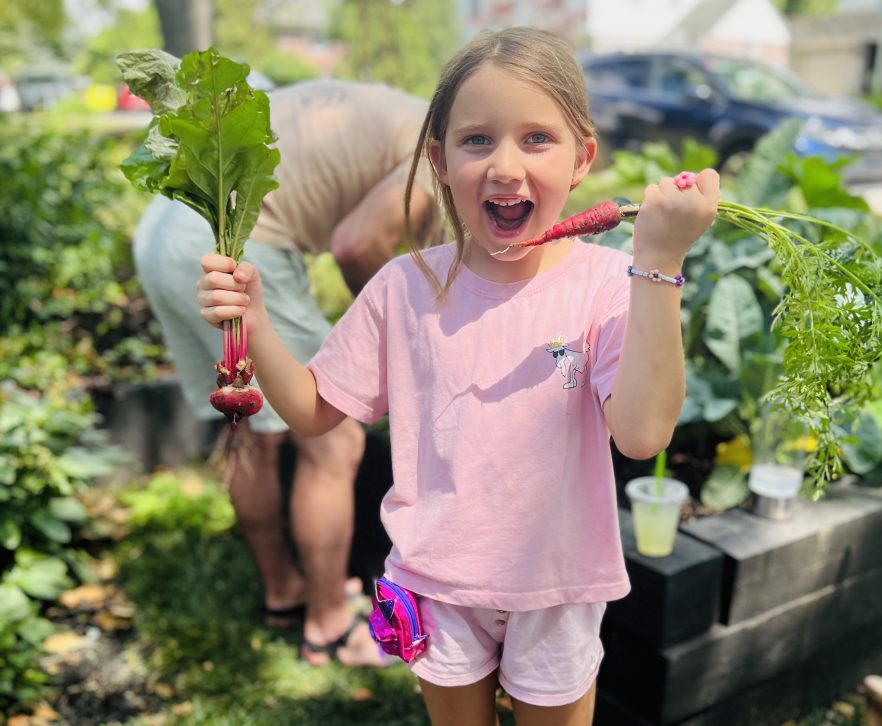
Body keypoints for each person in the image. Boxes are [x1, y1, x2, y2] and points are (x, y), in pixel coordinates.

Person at [197, 27, 719, 725]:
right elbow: (314, 413)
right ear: (439, 161)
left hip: (556, 586)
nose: (505, 166)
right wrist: (256, 321)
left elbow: (642, 434)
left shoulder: (606, 284)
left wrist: (657, 264)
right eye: (478, 141)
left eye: (537, 139)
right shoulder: (402, 286)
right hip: (432, 583)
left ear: (582, 158)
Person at [133, 79, 441, 668]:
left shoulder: (405, 112)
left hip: (163, 235)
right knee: (334, 438)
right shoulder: (446, 147)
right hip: (233, 245)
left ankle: (283, 589)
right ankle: (328, 622)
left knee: (247, 429)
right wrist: (393, 344)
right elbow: (357, 246)